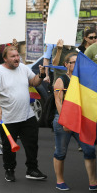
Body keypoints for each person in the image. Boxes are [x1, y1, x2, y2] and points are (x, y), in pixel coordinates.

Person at [0, 45, 47, 182]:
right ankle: (9, 170)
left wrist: (41, 75)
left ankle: (32, 169)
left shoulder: (23, 68)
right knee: (9, 147)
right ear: (5, 58)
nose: (16, 58)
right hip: (8, 117)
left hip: (27, 114)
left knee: (32, 144)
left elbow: (34, 82)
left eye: (17, 55)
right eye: (13, 56)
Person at [52, 52, 97, 191]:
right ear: (66, 65)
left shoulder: (85, 80)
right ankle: (60, 181)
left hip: (81, 120)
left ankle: (93, 182)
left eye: (78, 62)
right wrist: (65, 121)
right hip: (63, 121)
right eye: (73, 62)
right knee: (60, 152)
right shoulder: (61, 80)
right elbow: (58, 101)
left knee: (89, 150)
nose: (76, 65)